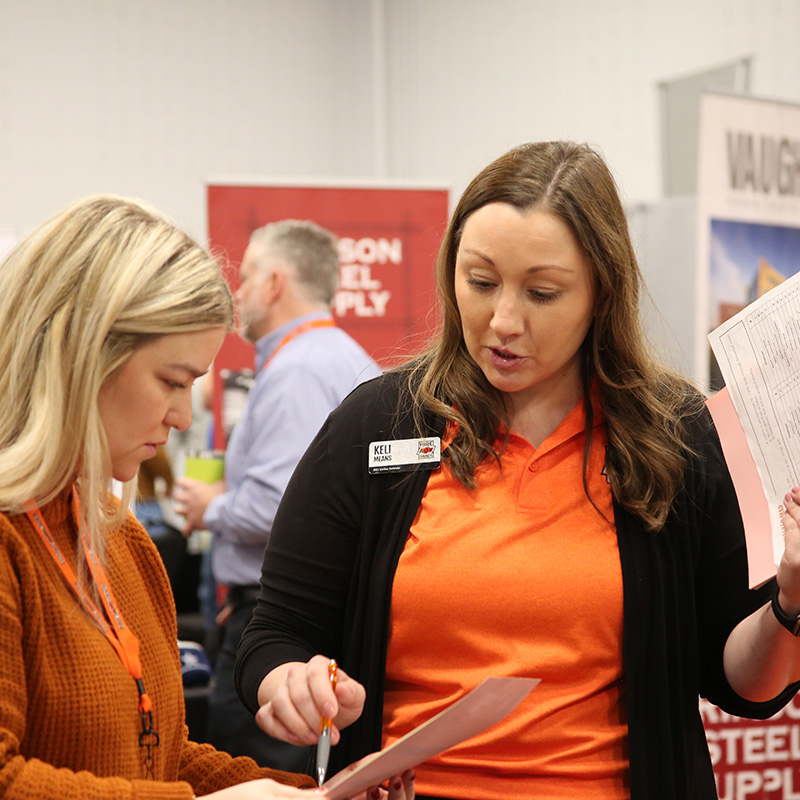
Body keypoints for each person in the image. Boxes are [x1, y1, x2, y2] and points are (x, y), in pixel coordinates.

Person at [234, 141, 800, 800]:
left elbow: (744, 685)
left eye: (542, 292)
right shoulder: (381, 426)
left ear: (601, 293)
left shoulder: (671, 437)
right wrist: (293, 685)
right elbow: (274, 637)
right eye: (479, 281)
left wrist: (790, 603)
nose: (502, 321)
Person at [0, 195, 413, 800]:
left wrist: (316, 793)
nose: (180, 414)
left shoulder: (123, 543)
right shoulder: (15, 543)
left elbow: (164, 756)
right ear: (82, 357)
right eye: (171, 381)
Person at [175, 219, 381, 771]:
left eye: (244, 278)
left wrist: (210, 508)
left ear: (273, 283)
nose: (236, 292)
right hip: (295, 624)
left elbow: (281, 508)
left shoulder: (298, 370)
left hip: (285, 633)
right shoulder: (334, 356)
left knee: (259, 771)